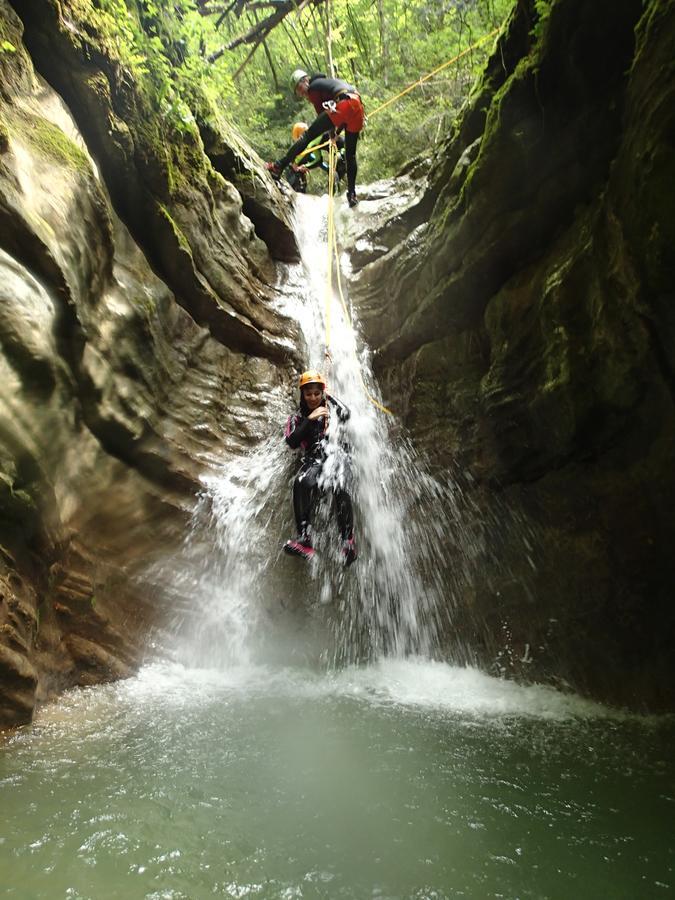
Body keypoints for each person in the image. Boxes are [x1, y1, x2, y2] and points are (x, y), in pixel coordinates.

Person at [283, 370, 357, 565]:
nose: (313, 398)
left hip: (336, 454)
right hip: (314, 459)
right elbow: (292, 440)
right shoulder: (297, 418)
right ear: (302, 395)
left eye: (317, 393)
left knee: (339, 485)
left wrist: (329, 396)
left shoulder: (330, 411)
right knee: (302, 481)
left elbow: (346, 413)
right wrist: (310, 419)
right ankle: (304, 539)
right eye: (308, 394)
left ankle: (347, 541)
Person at [267, 69, 364, 208]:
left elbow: (323, 117)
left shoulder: (313, 88)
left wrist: (332, 134)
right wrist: (334, 134)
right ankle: (352, 195)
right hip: (357, 105)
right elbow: (335, 118)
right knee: (351, 154)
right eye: (298, 92)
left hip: (343, 103)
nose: (301, 94)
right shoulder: (324, 84)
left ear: (305, 80)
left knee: (307, 136)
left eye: (299, 88)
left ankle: (278, 166)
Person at [285, 122, 346, 194]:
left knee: (335, 173)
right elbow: (317, 160)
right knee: (334, 174)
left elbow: (318, 160)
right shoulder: (316, 136)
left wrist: (303, 166)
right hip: (344, 152)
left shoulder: (312, 143)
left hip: (341, 155)